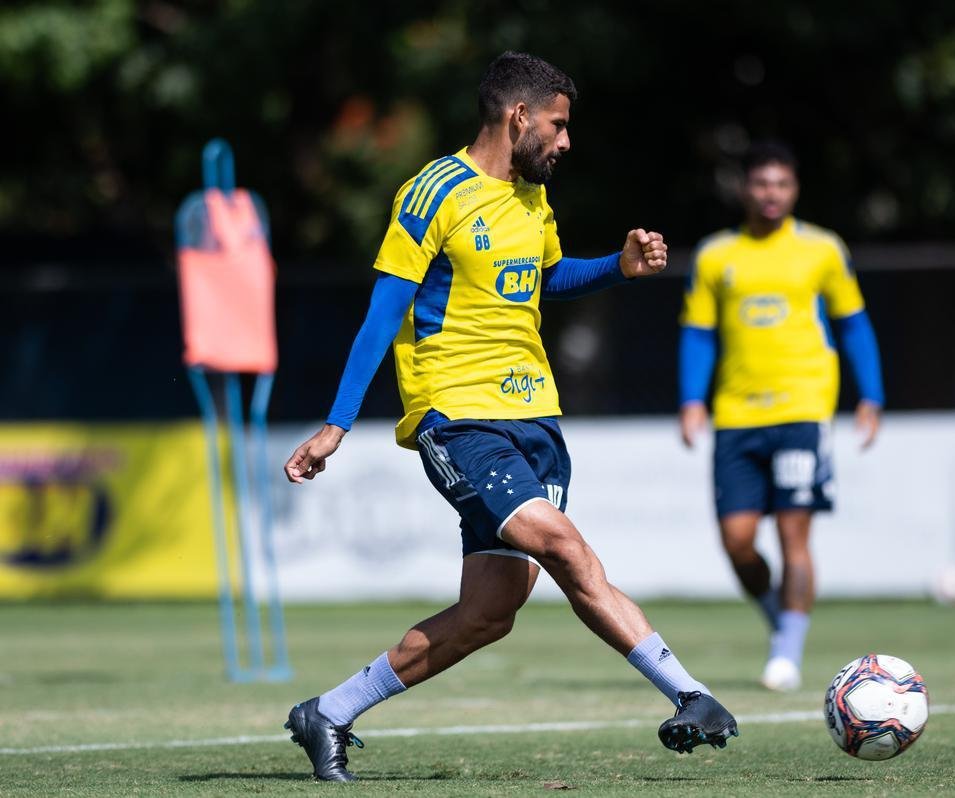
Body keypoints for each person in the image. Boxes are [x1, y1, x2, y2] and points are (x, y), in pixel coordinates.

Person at [281, 52, 737, 781]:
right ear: (518, 115)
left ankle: (328, 712)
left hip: (538, 423)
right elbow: (382, 315)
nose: (565, 141)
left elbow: (548, 278)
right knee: (558, 543)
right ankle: (690, 693)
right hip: (457, 416)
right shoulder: (435, 190)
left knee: (491, 613)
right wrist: (337, 424)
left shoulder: (532, 199)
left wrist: (616, 266)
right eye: (557, 125)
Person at [678, 140, 884, 692]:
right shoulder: (716, 255)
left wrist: (872, 394)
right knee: (737, 541)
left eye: (782, 184)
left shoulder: (822, 249)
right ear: (745, 188)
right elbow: (699, 333)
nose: (772, 194)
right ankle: (781, 621)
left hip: (802, 410)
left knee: (795, 535)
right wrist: (691, 399)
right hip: (737, 417)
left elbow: (854, 323)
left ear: (795, 190)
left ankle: (788, 651)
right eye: (762, 183)